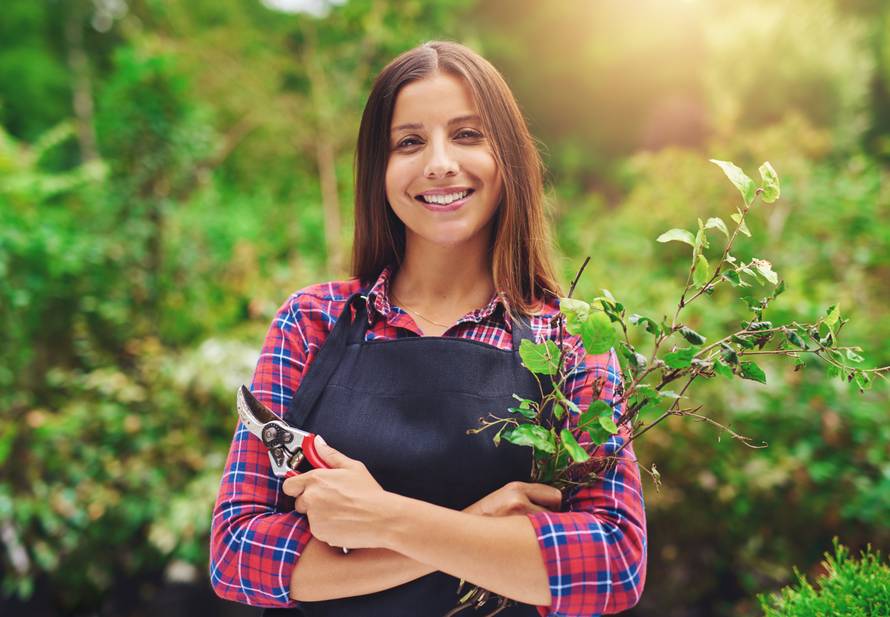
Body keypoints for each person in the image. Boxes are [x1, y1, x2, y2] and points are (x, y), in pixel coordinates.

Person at [209, 40, 646, 617]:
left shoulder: (568, 339)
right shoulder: (311, 322)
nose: (439, 162)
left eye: (467, 134)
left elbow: (614, 564)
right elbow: (237, 554)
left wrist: (385, 520)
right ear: (380, 170)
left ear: (507, 157)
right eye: (409, 141)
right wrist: (475, 529)